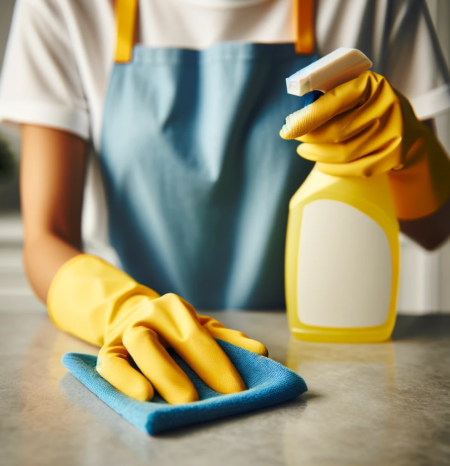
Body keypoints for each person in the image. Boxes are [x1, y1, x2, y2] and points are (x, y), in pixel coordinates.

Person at [0, 0, 449, 404]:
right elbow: (46, 236)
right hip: (137, 350)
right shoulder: (60, 7)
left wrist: (410, 154)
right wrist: (119, 309)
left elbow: (435, 229)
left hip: (319, 355)